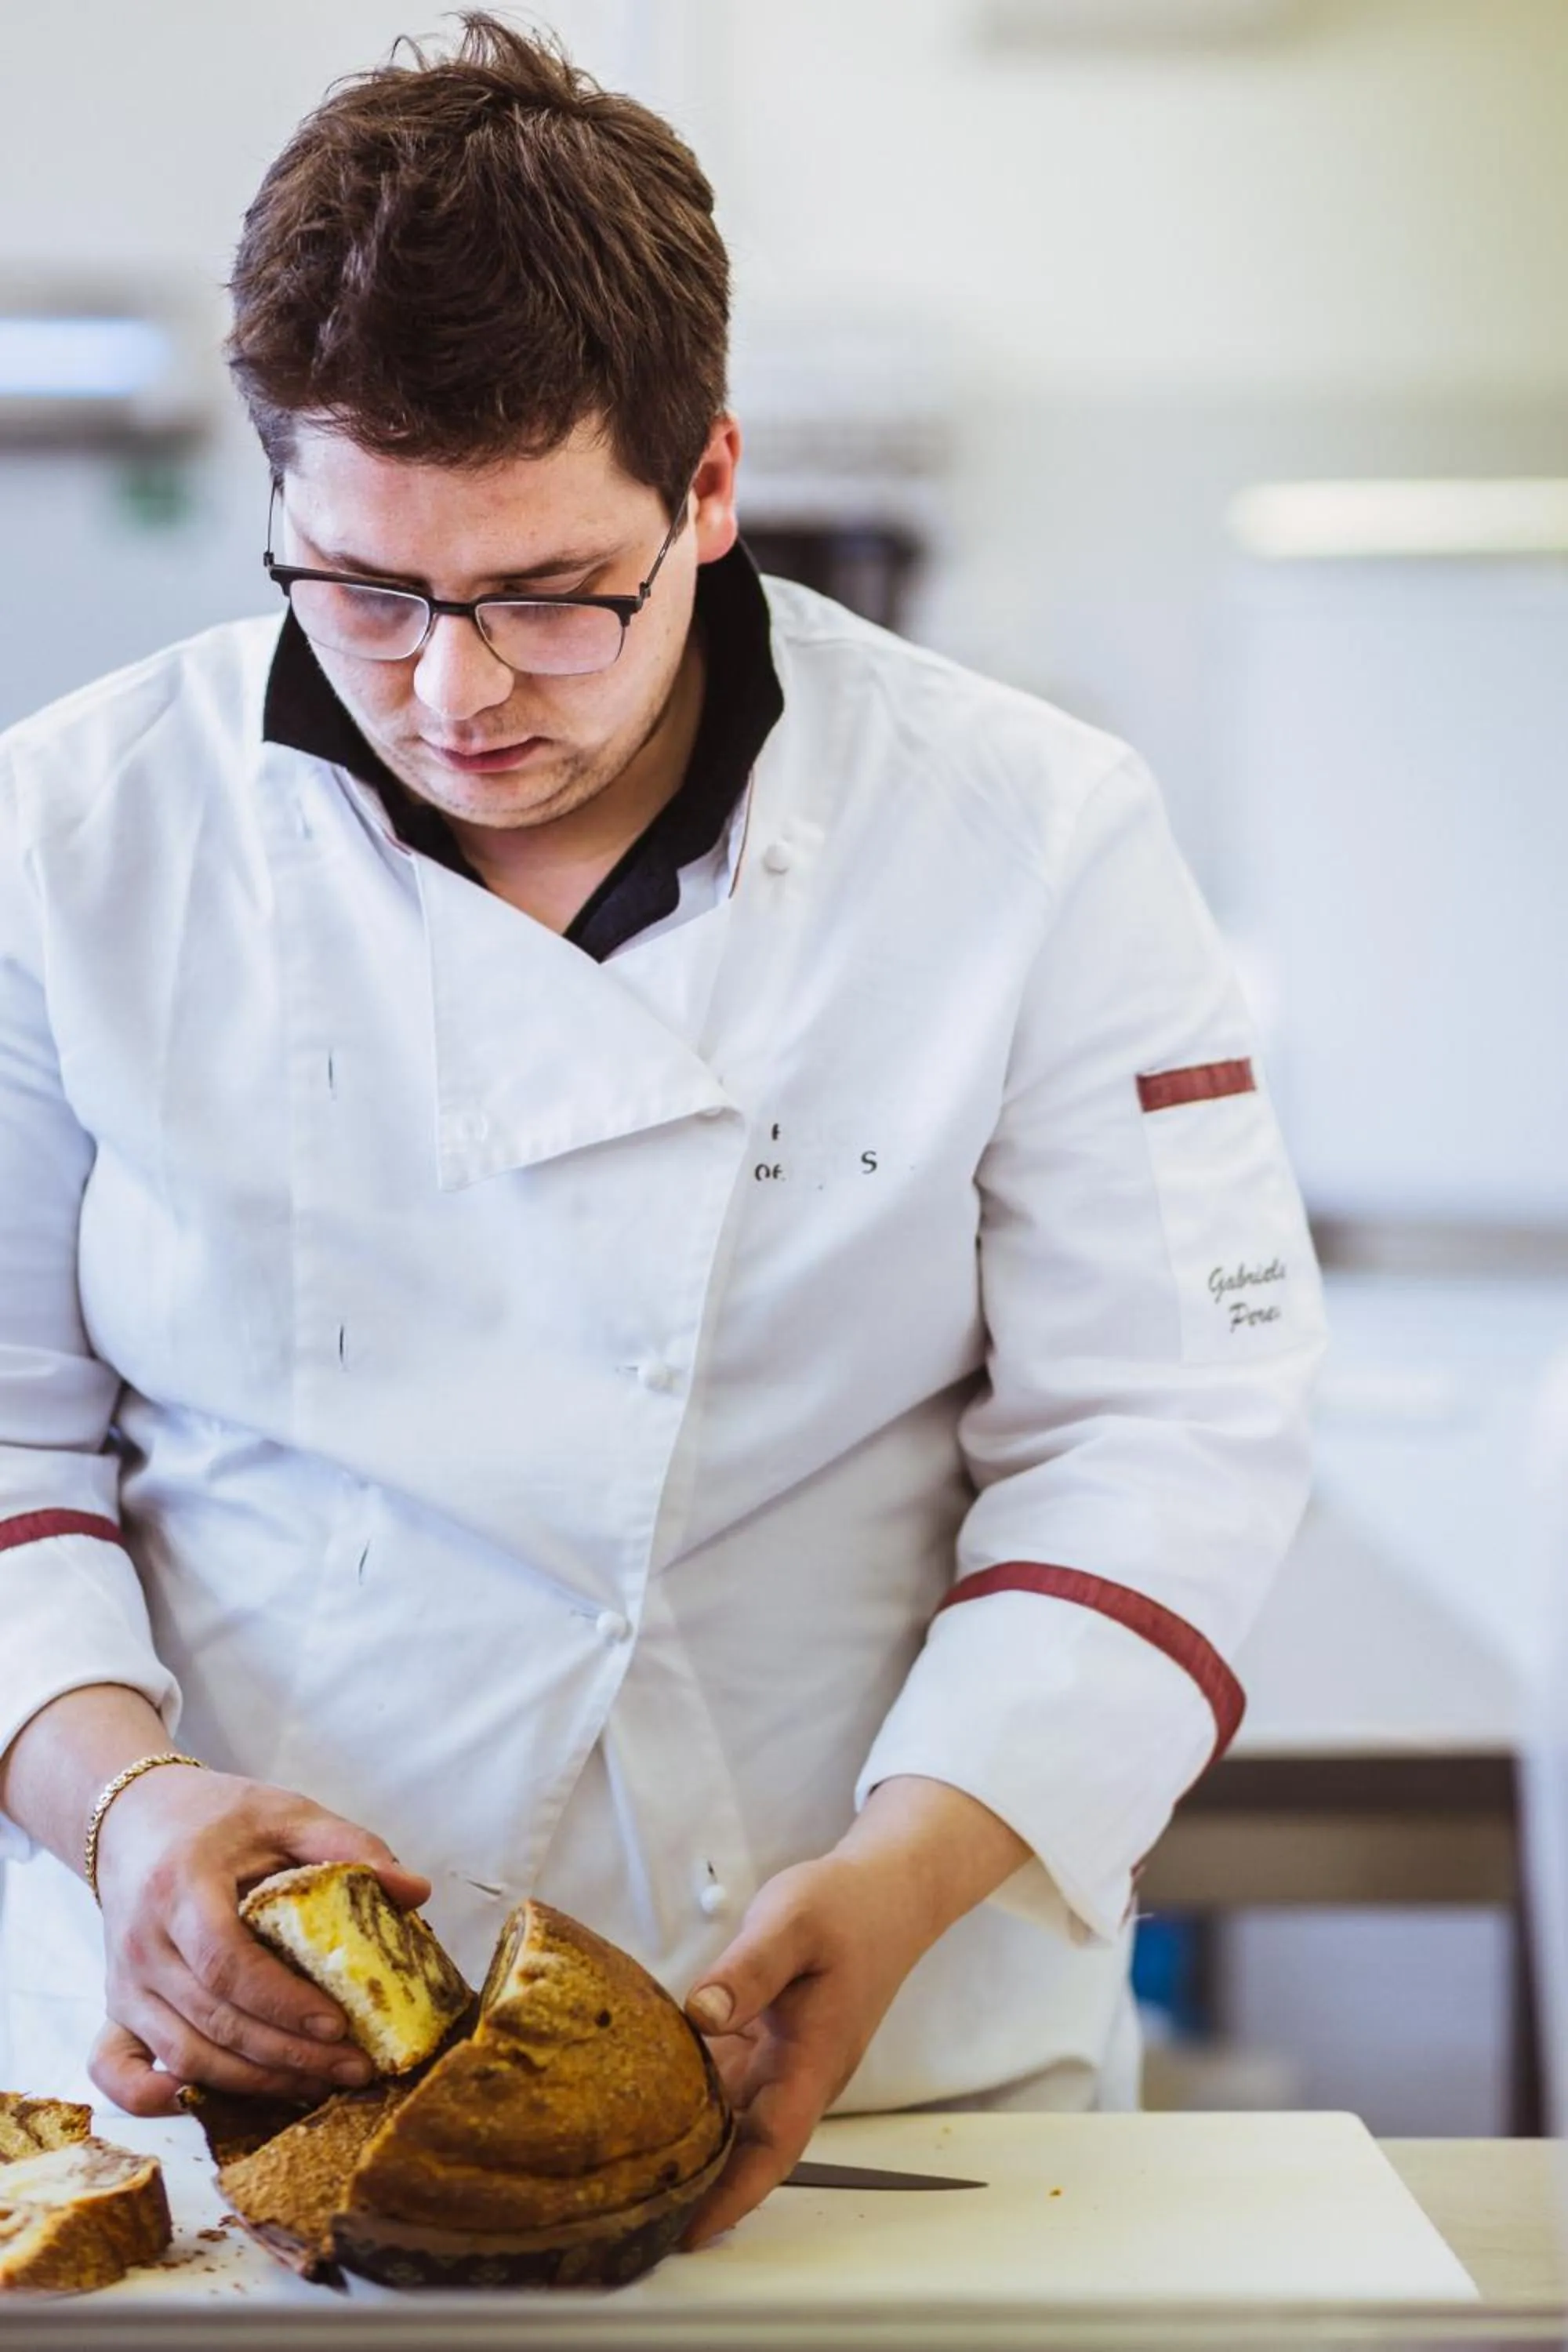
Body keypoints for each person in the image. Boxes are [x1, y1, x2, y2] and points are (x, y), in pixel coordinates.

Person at [0, 16, 1324, 2244]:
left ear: (708, 487)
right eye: (364, 590)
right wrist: (121, 1811)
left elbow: (1166, 1431)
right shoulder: (69, 838)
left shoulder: (1027, 832)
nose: (453, 690)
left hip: (875, 2071)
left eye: (547, 593)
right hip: (225, 2088)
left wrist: (913, 1875)